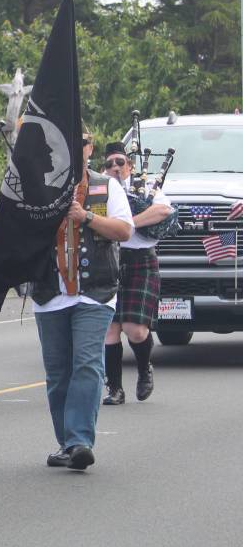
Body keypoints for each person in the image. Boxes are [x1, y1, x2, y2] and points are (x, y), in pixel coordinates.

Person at [30, 131, 132, 471]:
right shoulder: (36, 186)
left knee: (87, 363)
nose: (76, 149)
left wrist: (86, 217)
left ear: (89, 149)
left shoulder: (107, 186)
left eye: (82, 143)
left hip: (95, 291)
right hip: (50, 291)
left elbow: (123, 231)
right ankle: (66, 443)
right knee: (58, 372)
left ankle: (79, 441)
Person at [101, 141, 171, 405]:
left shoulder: (146, 188)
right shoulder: (100, 190)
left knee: (135, 331)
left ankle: (144, 369)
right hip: (110, 261)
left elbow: (163, 210)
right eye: (109, 164)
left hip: (141, 261)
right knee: (110, 328)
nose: (115, 167)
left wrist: (127, 225)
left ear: (129, 165)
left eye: (120, 162)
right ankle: (115, 389)